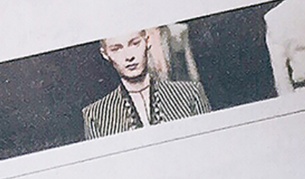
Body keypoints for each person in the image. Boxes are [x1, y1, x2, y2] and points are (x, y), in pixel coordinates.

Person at [82, 28, 211, 138]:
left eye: (135, 43)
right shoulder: (96, 115)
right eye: (116, 49)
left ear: (147, 41)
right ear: (105, 54)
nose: (129, 56)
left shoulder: (190, 94)